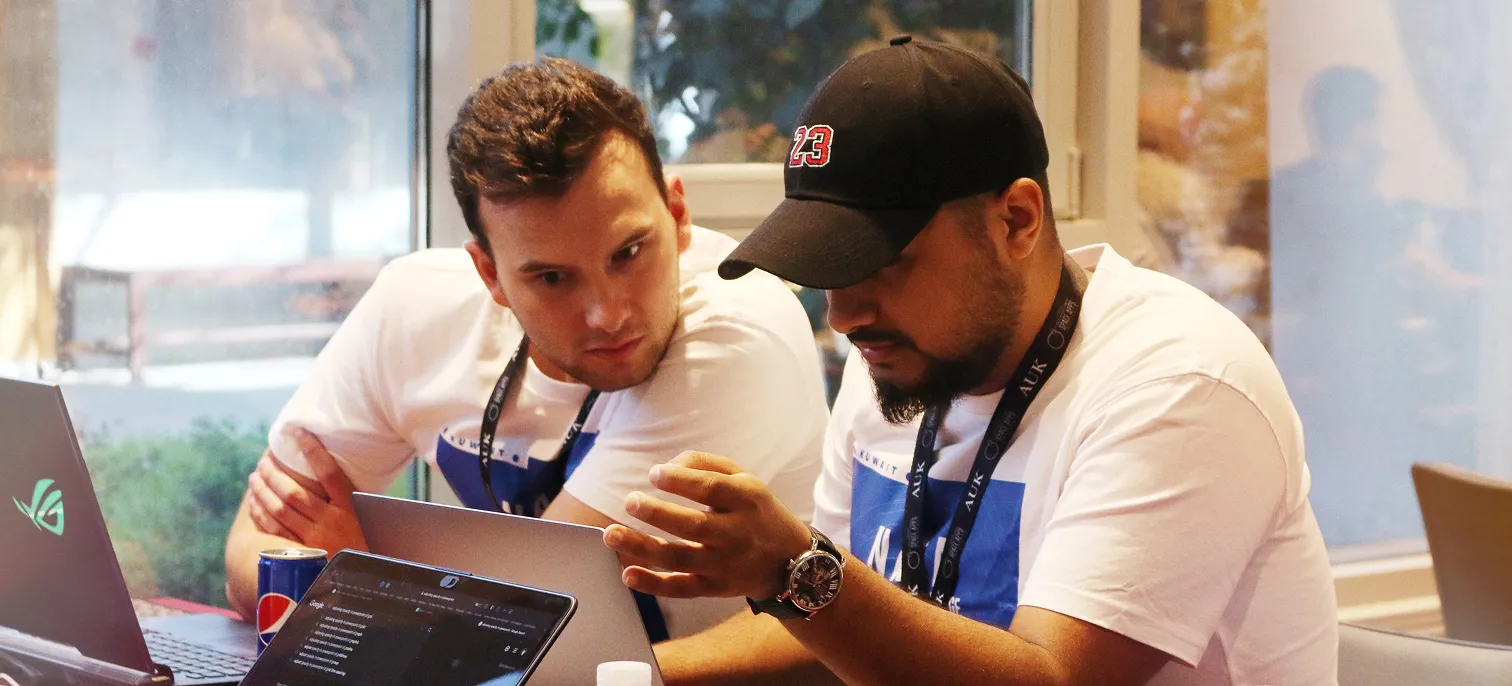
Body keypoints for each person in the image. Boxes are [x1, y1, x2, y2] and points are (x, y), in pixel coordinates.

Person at [604, 36, 1338, 685]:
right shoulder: (894, 354)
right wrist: (600, 677)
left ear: (1016, 220)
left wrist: (794, 571)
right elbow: (834, 619)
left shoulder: (1178, 383)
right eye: (827, 271)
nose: (846, 316)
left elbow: (1052, 677)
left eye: (883, 263)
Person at [222, 58, 831, 639]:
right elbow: (254, 556)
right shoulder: (415, 307)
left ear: (676, 214)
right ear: (489, 275)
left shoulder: (737, 327)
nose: (609, 313)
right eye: (552, 278)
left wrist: (363, 563)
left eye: (629, 252)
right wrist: (390, 586)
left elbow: (530, 616)